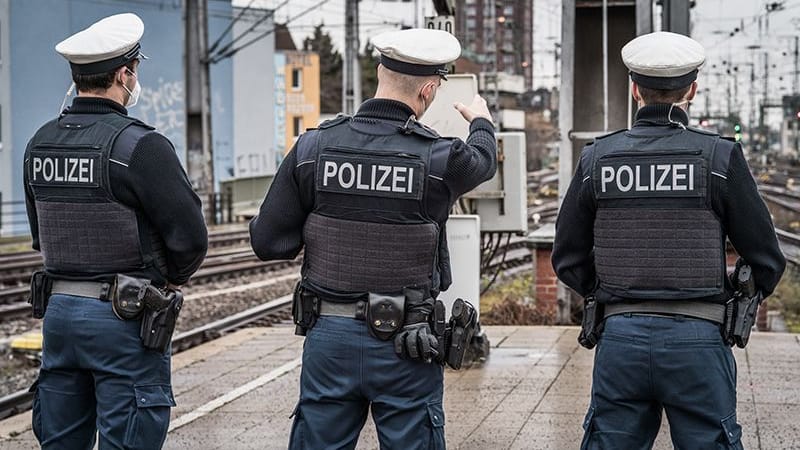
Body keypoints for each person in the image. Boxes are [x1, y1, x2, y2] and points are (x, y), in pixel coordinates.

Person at [250, 28, 497, 449]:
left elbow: (269, 241)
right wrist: (481, 122)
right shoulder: (440, 158)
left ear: (380, 72)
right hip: (407, 343)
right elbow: (484, 161)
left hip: (329, 337)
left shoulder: (313, 147)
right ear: (429, 90)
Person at [552, 31, 786, 449]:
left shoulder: (596, 158)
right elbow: (767, 259)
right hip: (698, 339)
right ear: (692, 90)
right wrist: (727, 295)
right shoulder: (719, 157)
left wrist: (608, 291)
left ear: (634, 89)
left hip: (620, 337)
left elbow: (567, 257)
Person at [23, 13, 208, 449]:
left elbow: (40, 237)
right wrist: (172, 275)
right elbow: (190, 237)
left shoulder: (40, 143)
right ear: (125, 75)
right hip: (122, 320)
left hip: (60, 314)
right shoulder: (140, 146)